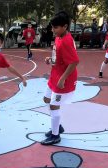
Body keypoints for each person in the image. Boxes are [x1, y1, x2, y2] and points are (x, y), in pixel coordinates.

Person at [41, 11, 79, 145]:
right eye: (52, 27)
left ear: (65, 26)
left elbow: (74, 62)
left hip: (63, 78)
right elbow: (58, 55)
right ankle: (58, 126)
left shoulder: (67, 41)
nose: (53, 30)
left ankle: (55, 135)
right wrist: (50, 60)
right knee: (46, 99)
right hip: (54, 74)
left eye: (55, 27)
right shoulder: (59, 37)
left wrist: (62, 79)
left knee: (53, 105)